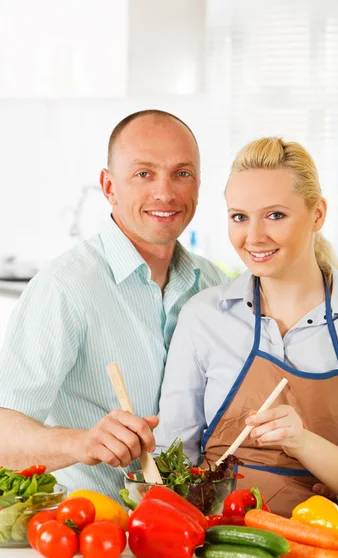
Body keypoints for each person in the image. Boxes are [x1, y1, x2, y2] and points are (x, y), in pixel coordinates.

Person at [156, 136, 338, 517]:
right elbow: (172, 456)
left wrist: (302, 442)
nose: (253, 237)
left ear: (317, 214)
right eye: (239, 217)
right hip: (211, 540)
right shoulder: (204, 316)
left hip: (322, 545)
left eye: (275, 215)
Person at [0, 110, 227, 501]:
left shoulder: (213, 285)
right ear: (109, 187)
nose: (165, 192)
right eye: (144, 173)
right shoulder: (64, 288)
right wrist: (82, 443)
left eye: (182, 173)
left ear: (199, 185)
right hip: (93, 533)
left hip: (190, 527)